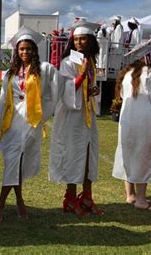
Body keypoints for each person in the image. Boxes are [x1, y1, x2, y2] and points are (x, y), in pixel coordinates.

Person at [0, 27, 58, 222]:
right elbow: (3, 100)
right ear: (16, 51)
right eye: (21, 49)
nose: (25, 52)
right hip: (11, 122)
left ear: (34, 50)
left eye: (28, 49)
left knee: (14, 161)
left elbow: (55, 93)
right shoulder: (10, 73)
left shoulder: (44, 69)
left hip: (31, 122)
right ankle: (20, 201)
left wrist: (43, 115)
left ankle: (0, 204)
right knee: (14, 162)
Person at [49, 21, 104, 217]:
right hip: (71, 115)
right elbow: (66, 89)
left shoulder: (90, 60)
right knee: (73, 154)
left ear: (90, 41)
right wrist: (81, 76)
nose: (80, 42)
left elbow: (90, 88)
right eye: (77, 39)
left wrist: (95, 90)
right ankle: (70, 198)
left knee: (89, 153)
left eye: (83, 39)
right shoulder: (68, 62)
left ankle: (87, 196)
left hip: (86, 114)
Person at [112, 39, 151, 211]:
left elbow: (123, 97)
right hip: (145, 120)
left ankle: (130, 195)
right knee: (143, 154)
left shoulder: (127, 74)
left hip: (127, 119)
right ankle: (141, 200)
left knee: (128, 152)